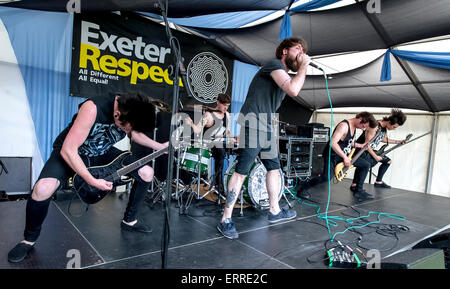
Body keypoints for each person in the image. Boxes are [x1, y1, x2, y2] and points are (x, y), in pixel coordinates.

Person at [7, 92, 168, 263]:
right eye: (125, 128)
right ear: (117, 115)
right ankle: (28, 239)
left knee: (146, 173)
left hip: (102, 152)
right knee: (42, 189)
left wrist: (160, 147)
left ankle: (130, 220)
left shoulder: (132, 107)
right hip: (72, 152)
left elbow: (134, 133)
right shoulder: (92, 108)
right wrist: (92, 181)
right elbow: (68, 150)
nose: (127, 132)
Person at [217, 37, 311, 239]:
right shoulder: (275, 64)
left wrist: (302, 67)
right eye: (297, 48)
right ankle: (225, 219)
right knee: (242, 171)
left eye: (303, 50)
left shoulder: (284, 74)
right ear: (285, 51)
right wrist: (304, 66)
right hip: (254, 121)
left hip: (267, 126)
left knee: (274, 169)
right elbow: (293, 89)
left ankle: (275, 211)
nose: (301, 53)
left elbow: (294, 86)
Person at [184, 93, 236, 196]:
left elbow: (227, 132)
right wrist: (191, 124)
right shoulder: (208, 115)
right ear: (218, 103)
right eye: (224, 105)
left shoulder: (227, 115)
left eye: (228, 105)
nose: (226, 108)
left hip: (220, 142)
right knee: (220, 151)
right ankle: (218, 185)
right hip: (208, 144)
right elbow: (198, 130)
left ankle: (229, 184)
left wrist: (233, 138)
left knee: (233, 149)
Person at [350, 109, 407, 190]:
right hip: (360, 150)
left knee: (387, 161)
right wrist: (376, 157)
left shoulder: (384, 128)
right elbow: (366, 145)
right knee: (366, 164)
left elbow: (383, 139)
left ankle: (378, 182)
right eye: (394, 127)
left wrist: (398, 142)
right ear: (389, 122)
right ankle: (355, 185)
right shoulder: (375, 126)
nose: (394, 129)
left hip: (369, 150)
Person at [330, 112, 378, 200]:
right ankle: (302, 189)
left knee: (366, 165)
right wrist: (345, 157)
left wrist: (360, 145)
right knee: (325, 178)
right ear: (360, 119)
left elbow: (347, 141)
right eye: (364, 126)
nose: (363, 129)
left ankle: (358, 191)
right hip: (333, 155)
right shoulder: (344, 126)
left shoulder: (354, 127)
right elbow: (333, 143)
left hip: (343, 155)